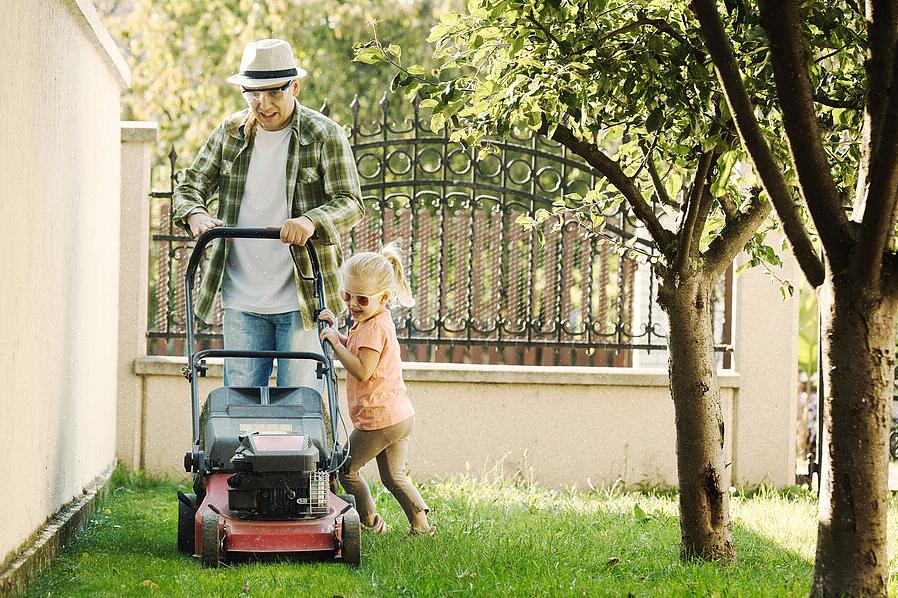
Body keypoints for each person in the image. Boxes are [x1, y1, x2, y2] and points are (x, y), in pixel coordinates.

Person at [172, 39, 364, 390]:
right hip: (241, 297)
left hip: (303, 298)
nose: (263, 104)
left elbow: (351, 202)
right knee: (241, 404)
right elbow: (189, 187)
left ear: (294, 86)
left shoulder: (323, 135)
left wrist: (310, 221)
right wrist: (195, 215)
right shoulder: (229, 133)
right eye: (253, 93)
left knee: (302, 403)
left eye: (274, 92)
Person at [318, 243, 435, 535]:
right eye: (347, 296)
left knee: (347, 470)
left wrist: (333, 342)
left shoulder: (373, 327)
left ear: (383, 298)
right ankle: (421, 523)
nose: (352, 304)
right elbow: (357, 349)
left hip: (379, 419)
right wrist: (337, 331)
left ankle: (370, 521)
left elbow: (361, 368)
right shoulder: (373, 321)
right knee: (394, 476)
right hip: (399, 415)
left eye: (361, 299)